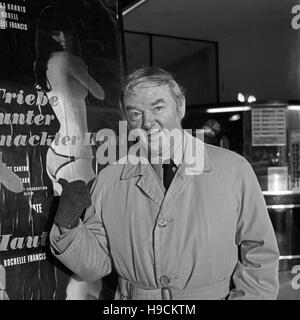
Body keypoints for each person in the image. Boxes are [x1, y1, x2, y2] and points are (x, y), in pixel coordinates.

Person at [50, 67, 280, 300]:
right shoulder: (108, 181)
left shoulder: (233, 170)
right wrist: (68, 230)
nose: (148, 122)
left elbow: (259, 254)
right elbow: (96, 266)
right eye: (135, 114)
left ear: (180, 107)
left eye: (158, 108)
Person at [34, 6, 105, 300]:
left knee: (66, 240)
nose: (62, 36)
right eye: (57, 31)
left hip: (58, 154)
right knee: (88, 253)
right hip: (76, 156)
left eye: (63, 31)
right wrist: (85, 71)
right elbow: (100, 93)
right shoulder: (68, 60)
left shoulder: (45, 63)